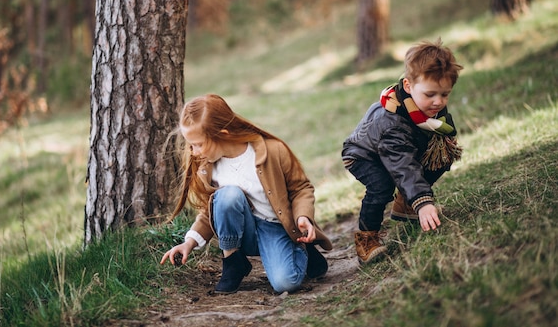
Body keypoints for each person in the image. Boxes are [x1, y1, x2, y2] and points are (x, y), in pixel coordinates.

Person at [161, 94, 332, 294]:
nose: (193, 152)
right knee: (227, 196)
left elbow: (301, 188)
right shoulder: (208, 167)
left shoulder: (272, 151)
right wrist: (188, 243)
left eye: (198, 144)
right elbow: (210, 211)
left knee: (286, 283)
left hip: (276, 227)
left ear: (223, 134)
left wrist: (303, 217)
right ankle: (233, 261)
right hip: (244, 231)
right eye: (191, 145)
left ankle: (302, 251)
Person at [341, 39, 463, 264]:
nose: (438, 102)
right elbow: (402, 165)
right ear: (408, 86)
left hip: (396, 151)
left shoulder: (429, 110)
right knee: (382, 186)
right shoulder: (392, 121)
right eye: (430, 94)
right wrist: (423, 200)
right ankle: (366, 240)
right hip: (363, 154)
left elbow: (436, 142)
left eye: (445, 94)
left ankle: (406, 205)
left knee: (442, 153)